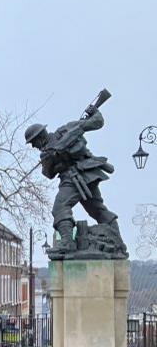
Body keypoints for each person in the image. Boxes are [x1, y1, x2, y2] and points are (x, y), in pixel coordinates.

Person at [25, 106, 126, 255]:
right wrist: (50, 158)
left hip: (77, 177)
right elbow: (49, 174)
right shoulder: (46, 153)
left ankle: (67, 242)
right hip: (82, 177)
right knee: (97, 209)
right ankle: (119, 243)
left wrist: (93, 111)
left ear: (40, 137)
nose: (34, 146)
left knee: (60, 208)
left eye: (33, 142)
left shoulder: (65, 131)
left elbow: (97, 122)